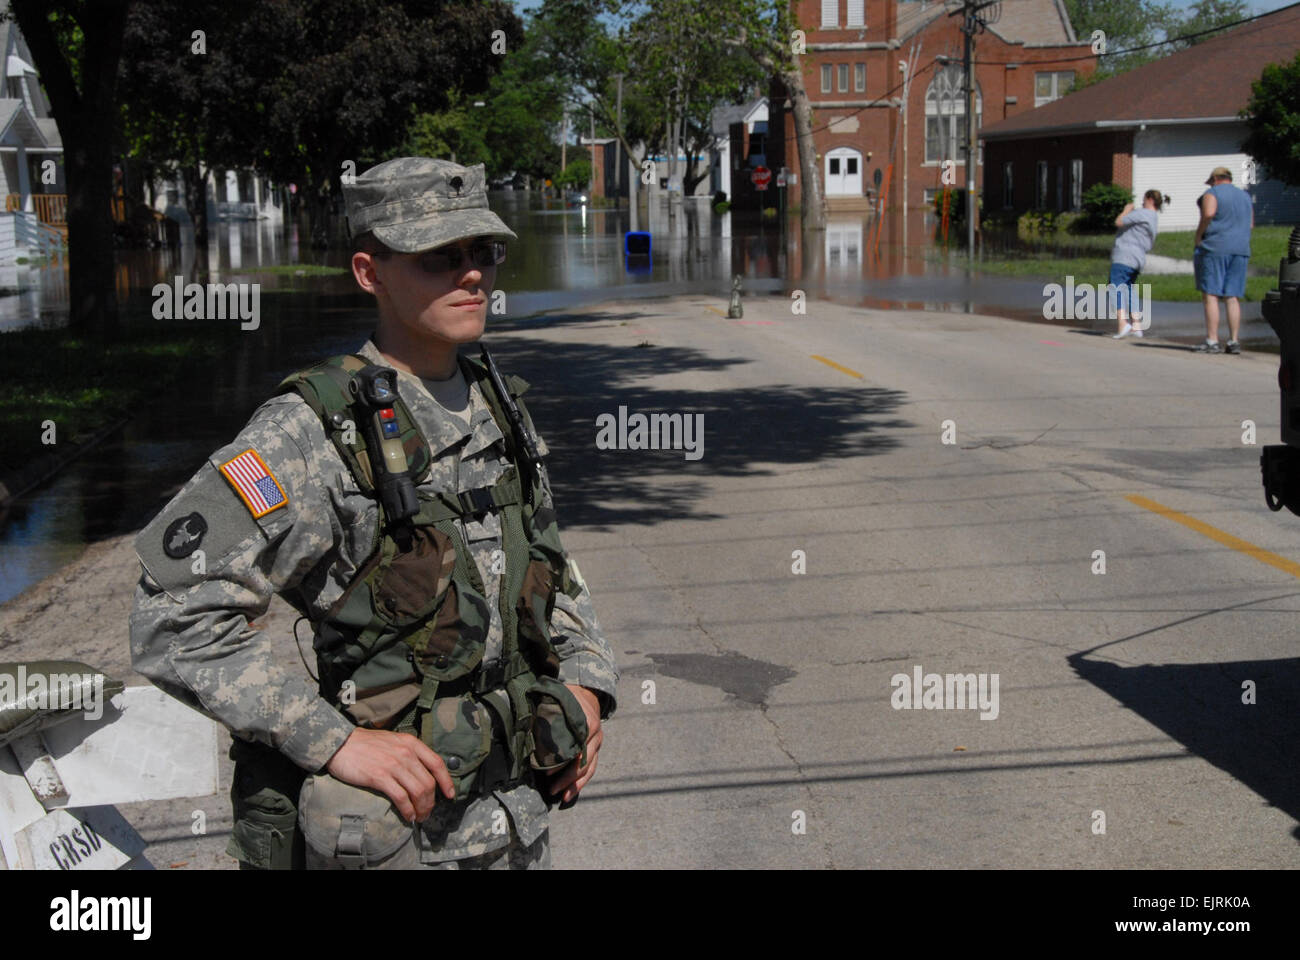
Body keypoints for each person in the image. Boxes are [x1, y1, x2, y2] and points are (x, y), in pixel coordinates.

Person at [129, 157, 618, 870]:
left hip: (517, 823)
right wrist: (331, 740)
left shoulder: (498, 401)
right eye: (439, 258)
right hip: (400, 843)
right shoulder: (312, 432)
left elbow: (550, 565)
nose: (473, 273)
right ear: (369, 272)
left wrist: (589, 684)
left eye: (482, 251)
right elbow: (171, 616)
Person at [1193, 165, 1254, 354]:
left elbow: (1209, 213)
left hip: (1215, 247)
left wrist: (1199, 235)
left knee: (1210, 294)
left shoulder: (1212, 193)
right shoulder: (1245, 196)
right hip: (1240, 248)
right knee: (1232, 296)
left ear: (1215, 179)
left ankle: (1212, 340)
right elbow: (1250, 225)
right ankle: (1234, 340)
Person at [1109, 190, 1166, 339]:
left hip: (1125, 255)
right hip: (1138, 258)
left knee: (1115, 286)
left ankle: (1123, 324)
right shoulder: (1153, 218)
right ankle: (1136, 325)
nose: (1142, 202)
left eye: (1144, 199)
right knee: (1129, 289)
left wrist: (1126, 211)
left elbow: (1119, 222)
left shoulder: (1143, 213)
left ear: (1150, 199)